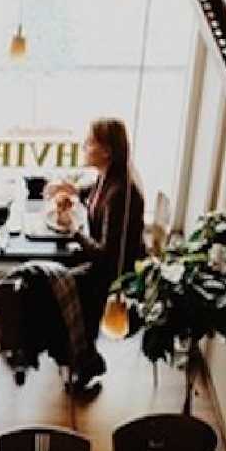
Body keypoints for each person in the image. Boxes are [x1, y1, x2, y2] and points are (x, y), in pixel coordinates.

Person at [69, 117, 146, 387]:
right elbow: (91, 194)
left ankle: (84, 356)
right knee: (55, 272)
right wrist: (71, 190)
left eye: (89, 142)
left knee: (60, 284)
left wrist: (75, 231)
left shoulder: (122, 192)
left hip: (115, 274)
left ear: (107, 150)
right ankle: (76, 352)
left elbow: (106, 256)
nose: (84, 146)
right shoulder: (108, 178)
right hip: (104, 262)